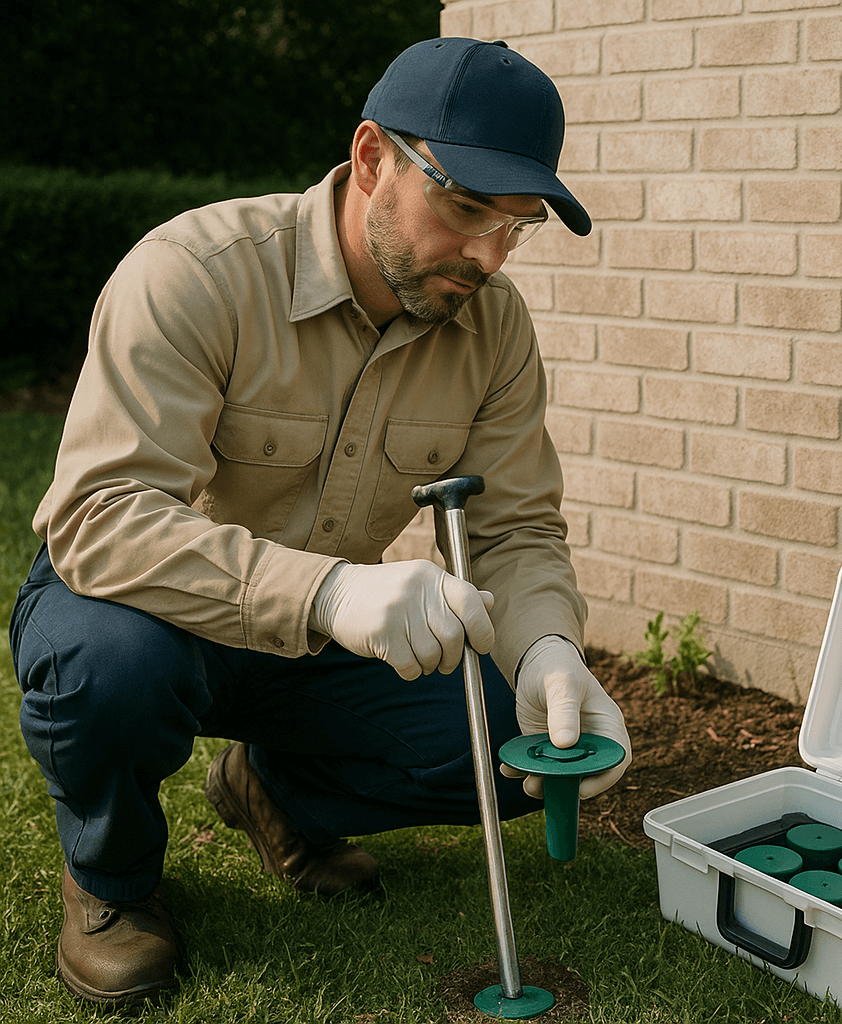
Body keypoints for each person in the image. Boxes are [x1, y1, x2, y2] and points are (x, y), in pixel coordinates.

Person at [8, 36, 631, 1010]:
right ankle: (113, 881)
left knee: (524, 749)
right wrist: (334, 588)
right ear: (373, 158)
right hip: (138, 608)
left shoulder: (495, 327)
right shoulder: (193, 273)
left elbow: (512, 530)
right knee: (111, 669)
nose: (489, 253)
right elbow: (100, 519)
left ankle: (272, 790)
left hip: (312, 638)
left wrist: (548, 647)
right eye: (466, 208)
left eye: (518, 225)